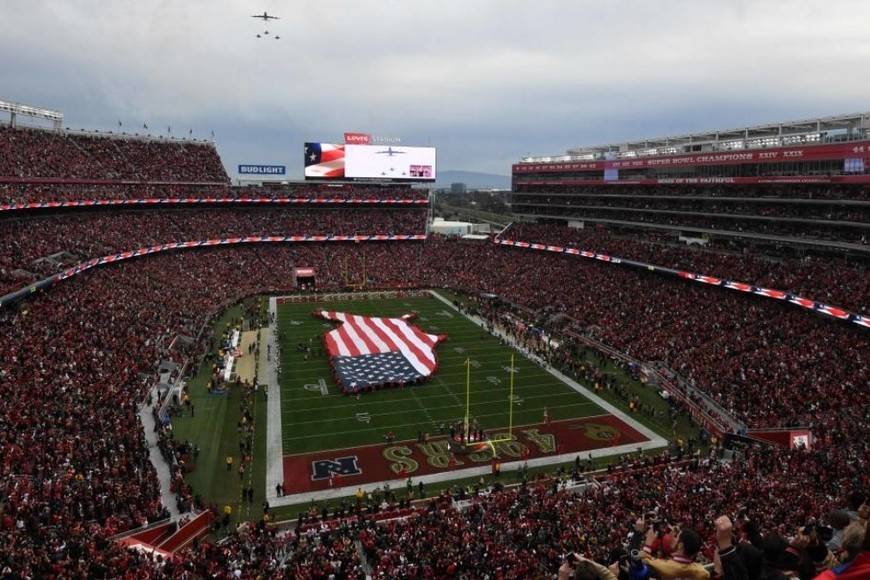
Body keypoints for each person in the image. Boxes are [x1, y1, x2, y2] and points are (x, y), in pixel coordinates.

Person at [640, 523, 710, 579]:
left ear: (681, 545)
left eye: (676, 536)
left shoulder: (660, 566)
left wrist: (648, 542)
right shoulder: (701, 571)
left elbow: (641, 563)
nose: (673, 536)